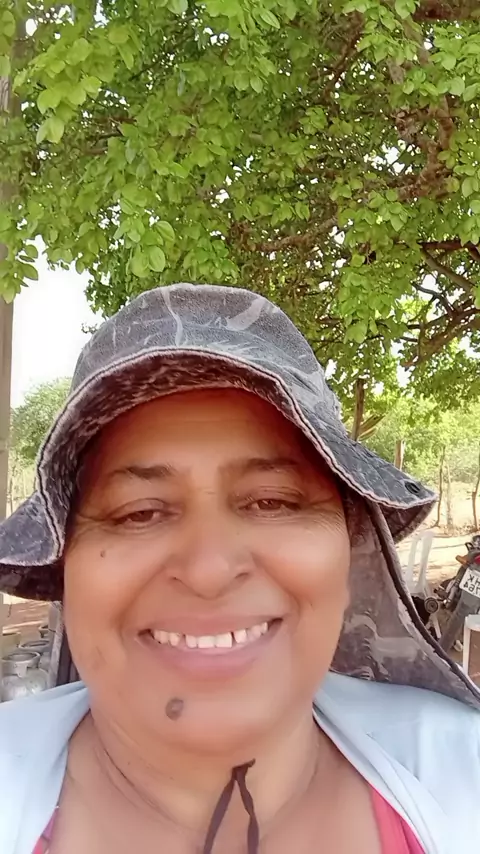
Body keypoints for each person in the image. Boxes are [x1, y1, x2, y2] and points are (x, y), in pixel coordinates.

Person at [0, 283, 478, 854]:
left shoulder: (462, 774)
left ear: (350, 556)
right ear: (66, 569)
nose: (209, 570)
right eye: (139, 513)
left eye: (272, 502)